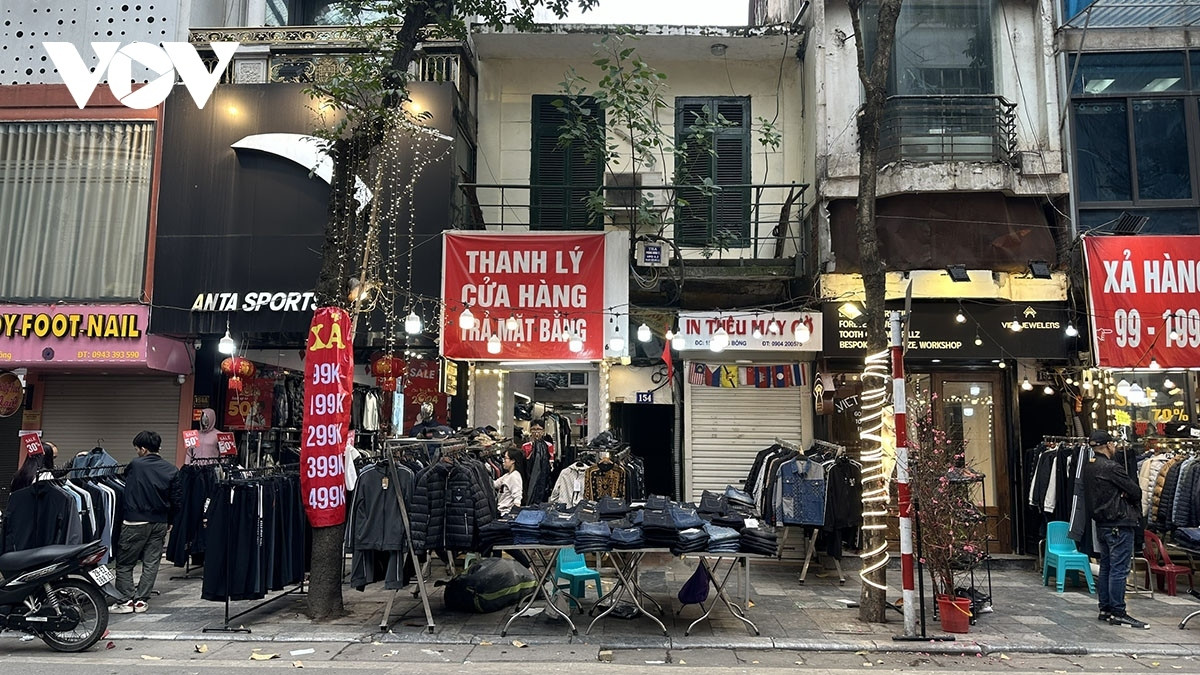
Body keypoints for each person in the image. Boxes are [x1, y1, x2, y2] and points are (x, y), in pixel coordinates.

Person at [1082, 430, 1147, 629]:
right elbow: (1135, 491)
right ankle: (1118, 611)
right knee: (1119, 569)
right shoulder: (1111, 467)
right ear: (1109, 445)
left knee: (1107, 567)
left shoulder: (1089, 466)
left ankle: (1106, 608)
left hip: (1101, 523)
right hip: (1118, 522)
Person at [111, 430, 181, 614]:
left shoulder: (136, 465)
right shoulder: (172, 469)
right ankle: (141, 600)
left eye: (137, 449)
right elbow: (177, 499)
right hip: (160, 522)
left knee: (125, 563)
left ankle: (126, 601)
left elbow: (126, 482)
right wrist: (171, 520)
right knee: (151, 562)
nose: (137, 452)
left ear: (142, 449)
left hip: (135, 521)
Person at [493, 448, 526, 517]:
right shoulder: (507, 476)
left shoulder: (514, 476)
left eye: (505, 458)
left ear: (513, 461)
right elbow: (495, 484)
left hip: (506, 514)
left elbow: (517, 498)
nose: (503, 461)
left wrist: (513, 515)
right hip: (502, 513)